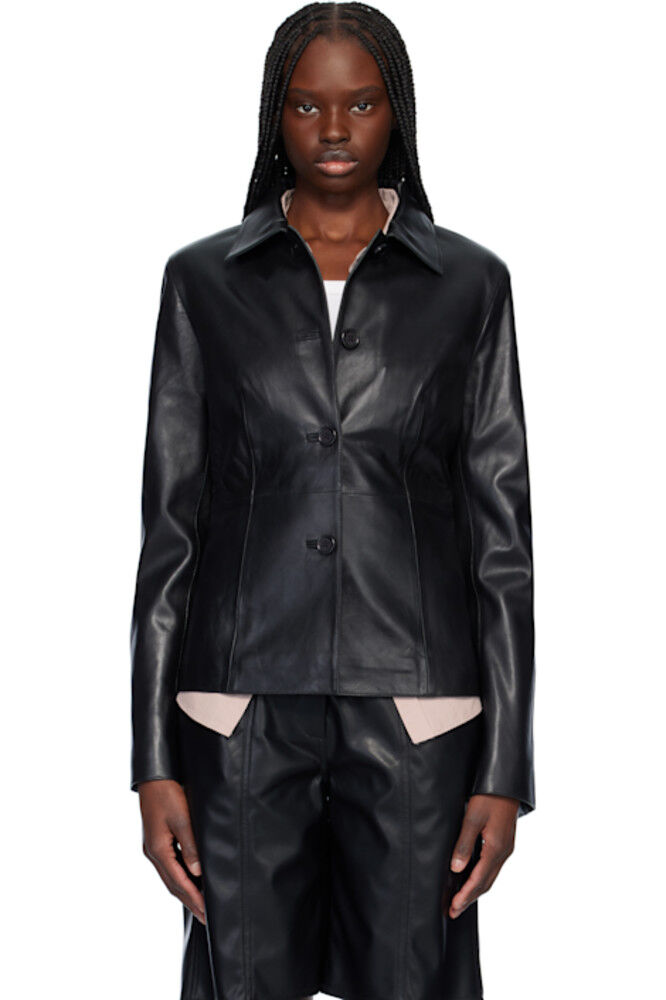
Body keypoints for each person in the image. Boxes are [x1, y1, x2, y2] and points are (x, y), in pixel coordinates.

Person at [130, 4, 536, 999]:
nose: (336, 128)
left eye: (362, 103)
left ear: (399, 113)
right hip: (236, 714)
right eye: (308, 105)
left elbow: (501, 543)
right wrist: (153, 761)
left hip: (420, 715)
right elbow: (170, 532)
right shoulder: (202, 283)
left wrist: (504, 770)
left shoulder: (471, 285)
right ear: (277, 115)